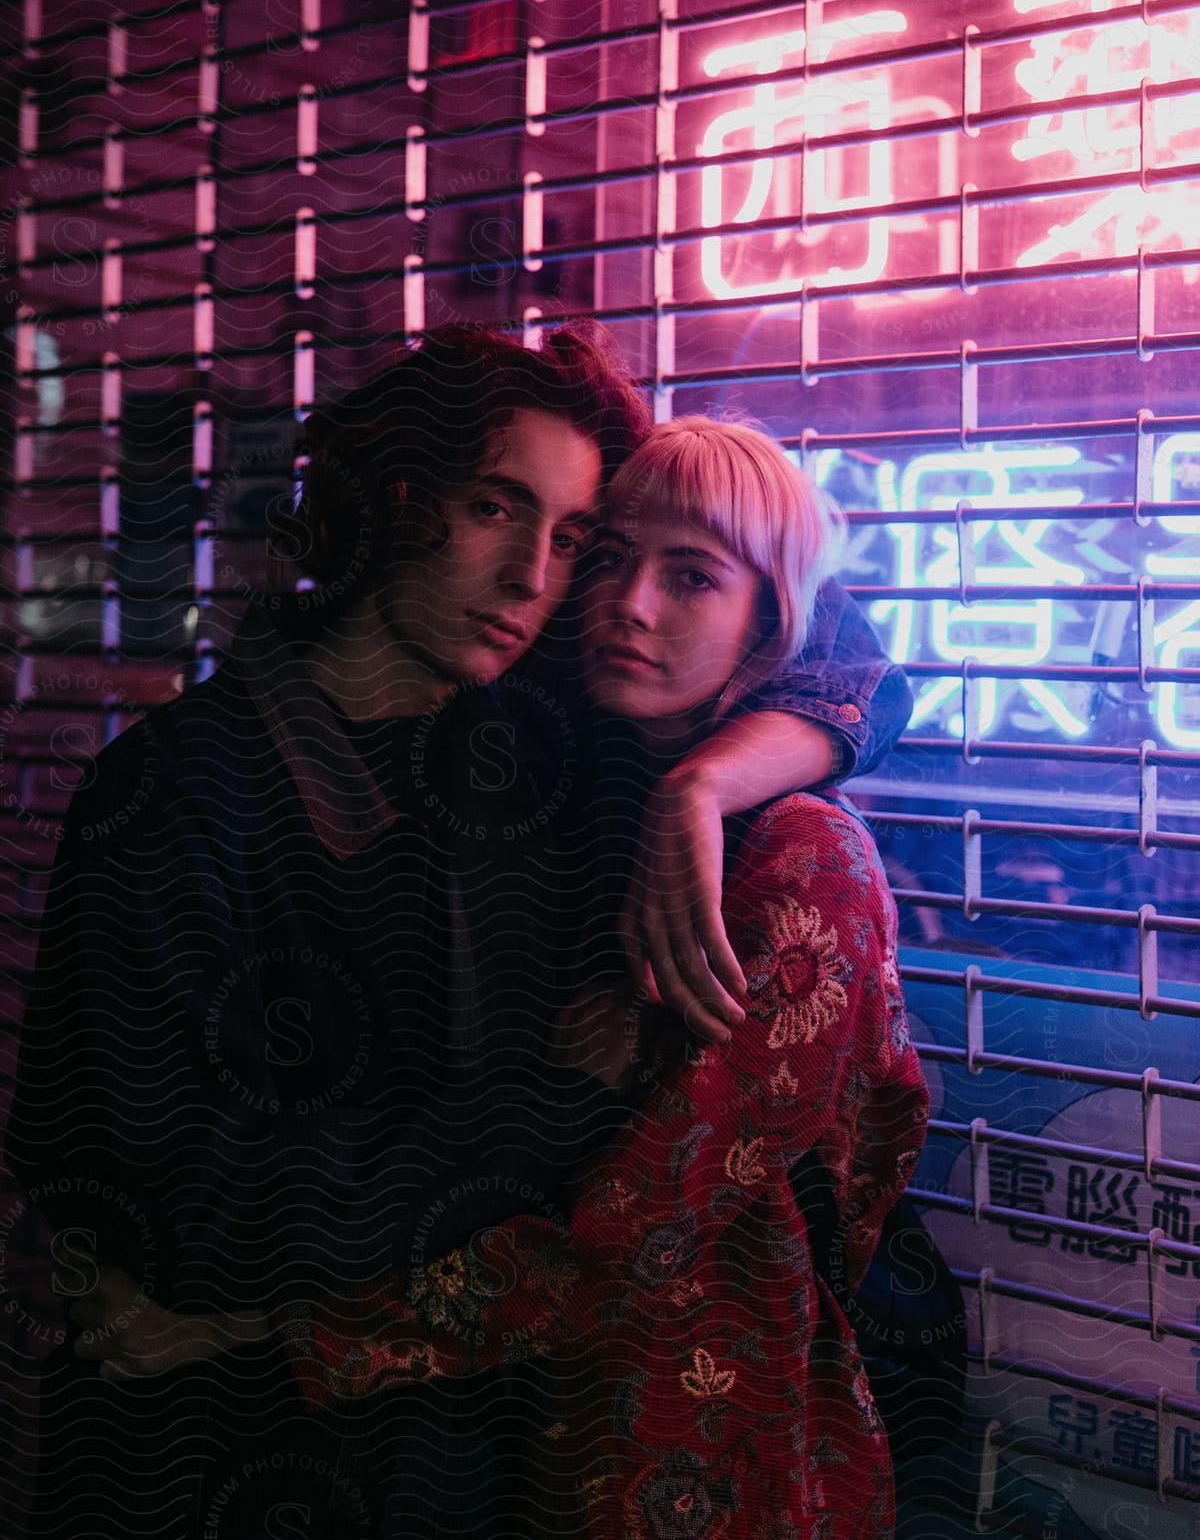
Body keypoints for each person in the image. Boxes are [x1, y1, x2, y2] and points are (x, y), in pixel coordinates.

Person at [11, 328, 909, 1537]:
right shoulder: (189, 791)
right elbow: (171, 1215)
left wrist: (698, 793)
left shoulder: (561, 754)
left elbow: (840, 645)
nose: (544, 578)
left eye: (574, 539)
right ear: (392, 498)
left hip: (538, 1443)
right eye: (496, 507)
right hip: (211, 1455)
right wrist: (554, 1096)